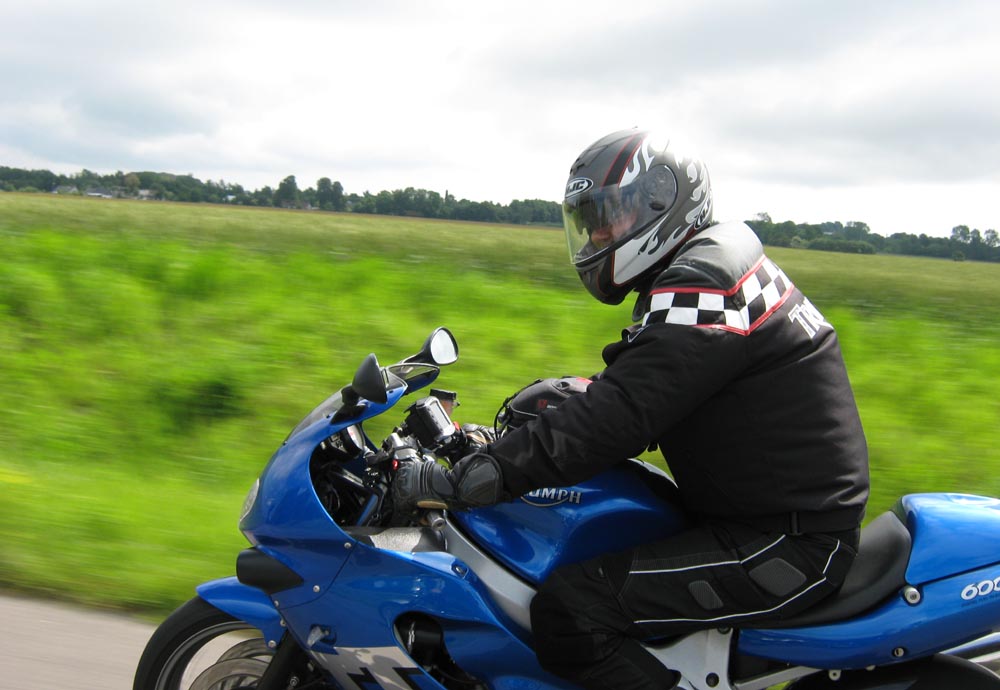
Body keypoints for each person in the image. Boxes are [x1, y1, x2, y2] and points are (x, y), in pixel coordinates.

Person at [395, 128, 870, 690]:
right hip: (764, 516)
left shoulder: (707, 283)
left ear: (662, 201)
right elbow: (645, 384)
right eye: (590, 220)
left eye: (609, 216)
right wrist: (513, 437)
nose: (598, 234)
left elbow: (620, 413)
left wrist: (478, 476)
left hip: (788, 543)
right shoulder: (712, 266)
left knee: (574, 612)